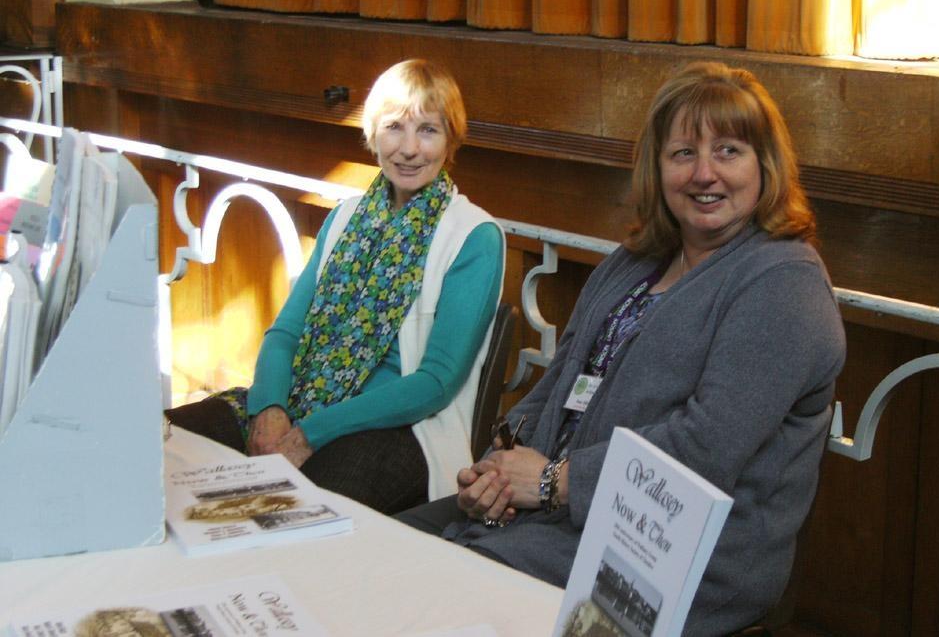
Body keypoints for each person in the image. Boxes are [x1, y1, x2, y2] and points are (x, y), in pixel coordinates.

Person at [397, 61, 846, 635]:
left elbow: (705, 449)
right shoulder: (635, 262)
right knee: (374, 553)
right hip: (555, 519)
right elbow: (559, 383)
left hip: (668, 558)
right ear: (657, 167)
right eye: (682, 153)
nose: (704, 173)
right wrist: (497, 472)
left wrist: (552, 482)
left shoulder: (783, 282)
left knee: (432, 601)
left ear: (765, 165)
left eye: (728, 151)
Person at [167, 59, 505, 514]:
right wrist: (269, 409)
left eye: (428, 130)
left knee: (284, 511)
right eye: (394, 127)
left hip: (402, 430)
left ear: (451, 139)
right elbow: (285, 333)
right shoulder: (346, 217)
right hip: (302, 401)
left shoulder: (474, 236)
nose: (409, 149)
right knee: (160, 447)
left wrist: (311, 432)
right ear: (373, 134)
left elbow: (435, 383)